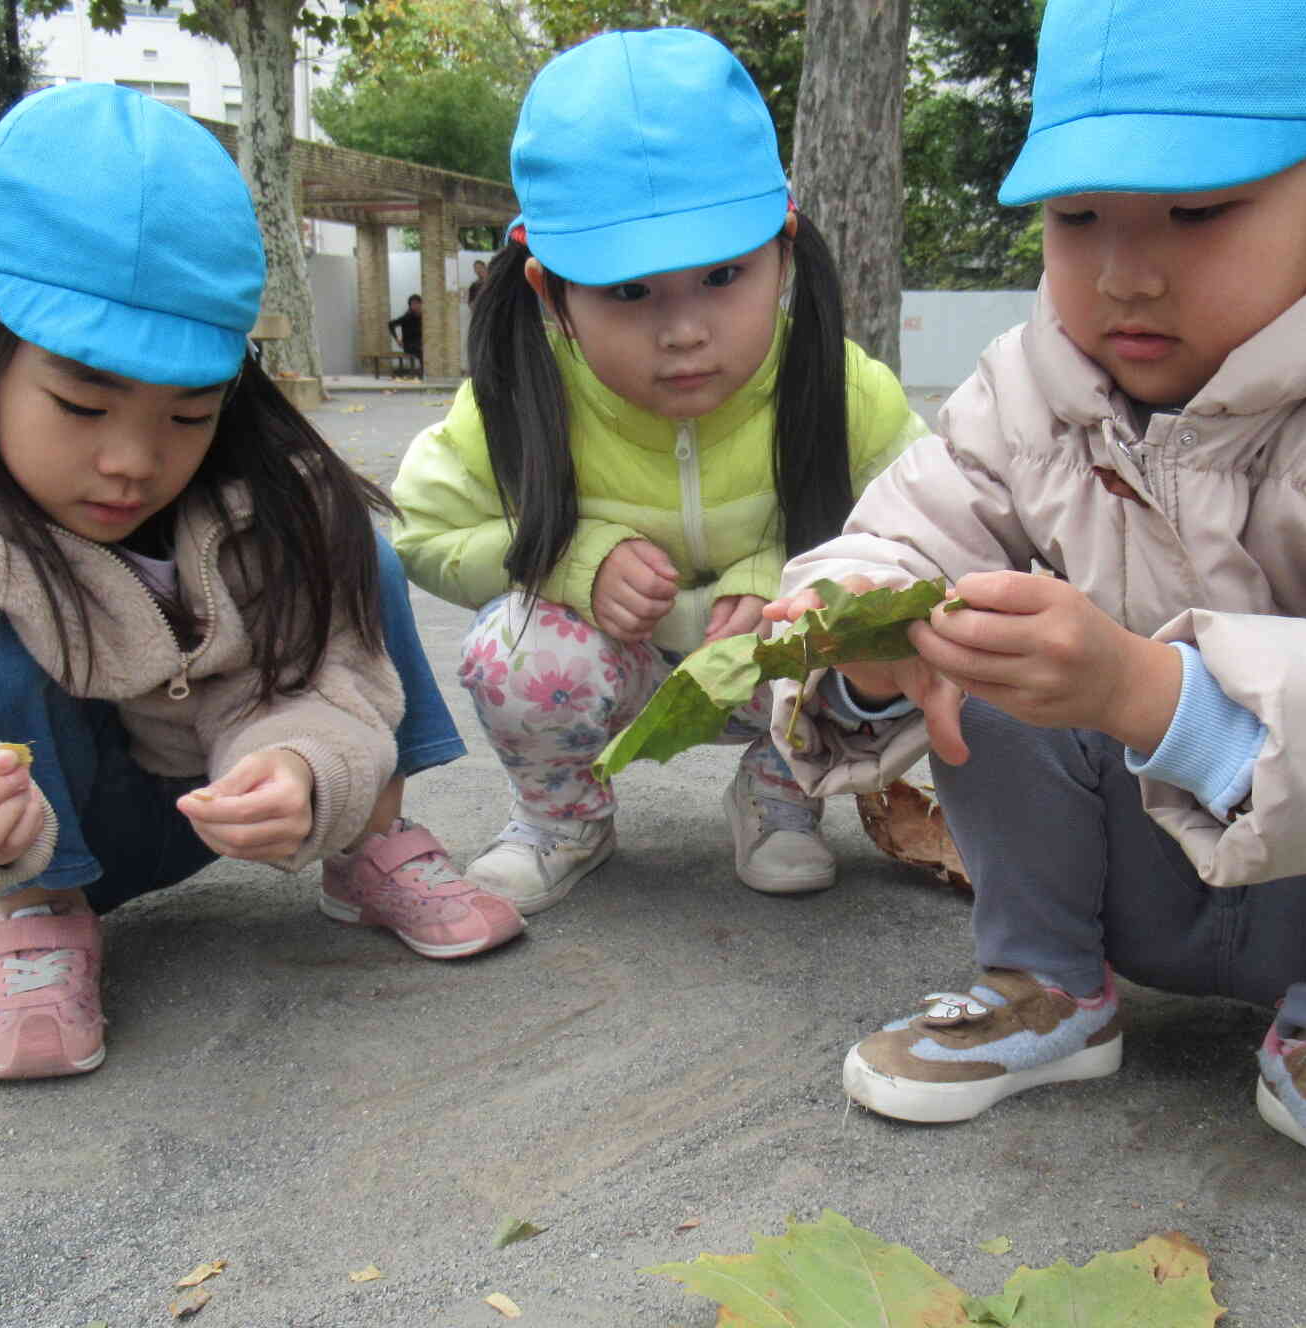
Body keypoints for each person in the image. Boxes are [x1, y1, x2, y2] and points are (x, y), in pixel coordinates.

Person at [763, 0, 1306, 1239]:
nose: (1122, 273)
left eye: (1198, 214)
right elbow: (896, 534)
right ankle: (1045, 987)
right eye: (1075, 218)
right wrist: (861, 646)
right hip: (1133, 885)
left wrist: (1139, 692)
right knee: (970, 627)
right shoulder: (1029, 383)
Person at [0, 84, 523, 1083]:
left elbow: (329, 673)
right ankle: (39, 921)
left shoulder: (262, 477)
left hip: (237, 799)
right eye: (82, 403)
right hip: (28, 831)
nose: (133, 461)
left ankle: (369, 840)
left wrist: (306, 769)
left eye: (187, 415)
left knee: (343, 530)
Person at [391, 28, 927, 914]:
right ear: (548, 289)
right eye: (628, 291)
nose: (683, 331)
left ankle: (781, 791)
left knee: (893, 628)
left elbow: (927, 527)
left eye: (723, 275)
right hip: (613, 671)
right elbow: (422, 530)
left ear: (784, 252)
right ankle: (564, 819)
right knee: (514, 644)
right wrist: (567, 558)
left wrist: (790, 582)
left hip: (777, 677)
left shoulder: (836, 382)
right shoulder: (517, 398)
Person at [388, 295, 424, 375]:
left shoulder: (424, 316)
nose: (415, 306)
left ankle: (423, 371)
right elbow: (390, 324)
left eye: (417, 303)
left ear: (421, 304)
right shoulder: (407, 317)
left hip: (420, 343)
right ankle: (422, 372)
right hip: (409, 344)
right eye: (413, 304)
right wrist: (397, 339)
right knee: (422, 350)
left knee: (428, 349)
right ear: (410, 306)